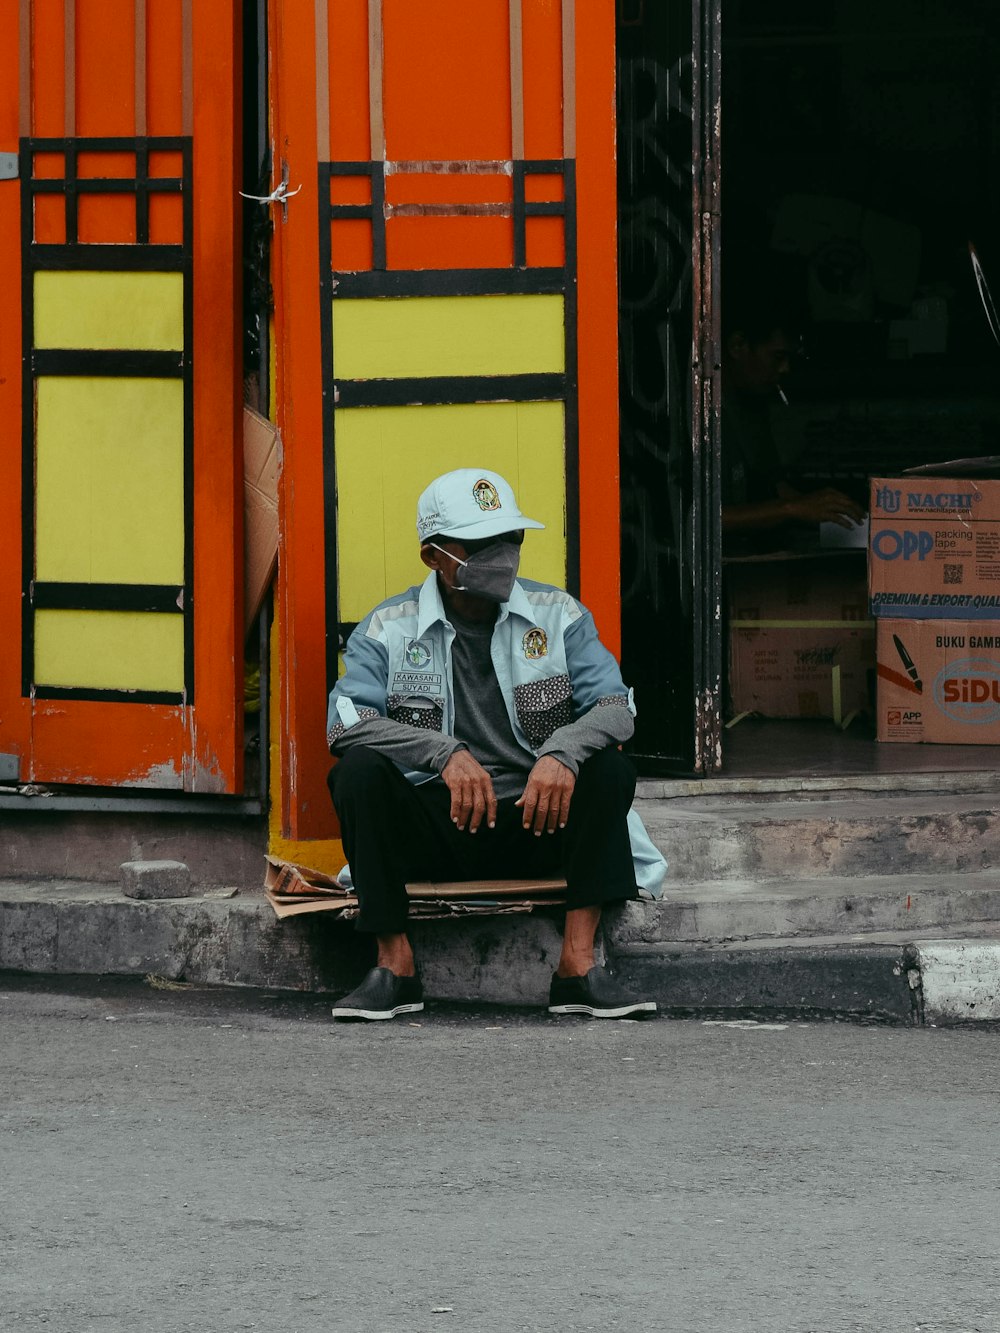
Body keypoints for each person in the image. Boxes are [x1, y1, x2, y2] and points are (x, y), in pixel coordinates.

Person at [326, 468, 659, 1022]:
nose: (503, 555)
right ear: (434, 556)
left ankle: (577, 969)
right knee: (357, 771)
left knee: (608, 770)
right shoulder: (388, 628)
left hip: (538, 820)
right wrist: (442, 752)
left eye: (512, 541)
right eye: (481, 546)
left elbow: (615, 707)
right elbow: (344, 722)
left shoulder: (559, 616)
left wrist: (563, 752)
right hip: (440, 828)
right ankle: (394, 967)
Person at [722, 308, 865, 553]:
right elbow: (696, 520)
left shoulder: (751, 404)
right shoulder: (696, 411)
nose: (785, 369)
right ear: (737, 346)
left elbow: (773, 484)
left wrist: (824, 509)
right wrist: (790, 510)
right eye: (777, 357)